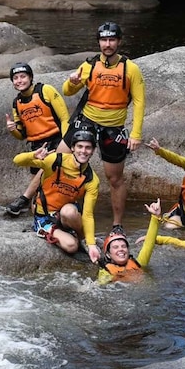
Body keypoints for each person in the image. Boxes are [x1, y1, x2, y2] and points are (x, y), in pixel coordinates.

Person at [59, 22, 145, 237]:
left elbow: (140, 101)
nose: (108, 44)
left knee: (114, 178)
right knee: (59, 160)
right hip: (87, 120)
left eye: (112, 40)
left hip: (113, 127)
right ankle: (53, 209)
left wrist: (135, 134)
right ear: (98, 42)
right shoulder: (88, 65)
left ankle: (117, 224)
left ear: (119, 41)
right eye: (104, 40)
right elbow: (68, 91)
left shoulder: (130, 68)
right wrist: (71, 82)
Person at [13, 129, 101, 263]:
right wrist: (33, 155)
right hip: (45, 215)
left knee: (69, 212)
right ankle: (46, 230)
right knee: (71, 246)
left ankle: (83, 240)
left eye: (88, 148)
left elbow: (88, 214)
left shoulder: (91, 179)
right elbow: (17, 161)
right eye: (80, 146)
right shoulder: (55, 160)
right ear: (72, 148)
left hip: (66, 213)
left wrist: (91, 244)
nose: (83, 151)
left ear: (93, 151)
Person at [5, 62, 70, 216]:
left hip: (56, 139)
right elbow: (21, 135)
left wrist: (65, 143)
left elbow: (64, 117)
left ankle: (23, 198)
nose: (19, 81)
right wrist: (13, 130)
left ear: (31, 77)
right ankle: (37, 215)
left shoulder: (45, 90)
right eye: (15, 78)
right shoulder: (17, 103)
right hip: (37, 146)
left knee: (47, 171)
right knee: (39, 190)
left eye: (23, 77)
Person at [96, 200, 159, 283]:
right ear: (108, 254)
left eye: (123, 246)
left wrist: (155, 217)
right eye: (115, 247)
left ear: (128, 250)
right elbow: (100, 288)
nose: (121, 249)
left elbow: (149, 243)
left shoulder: (139, 263)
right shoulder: (105, 272)